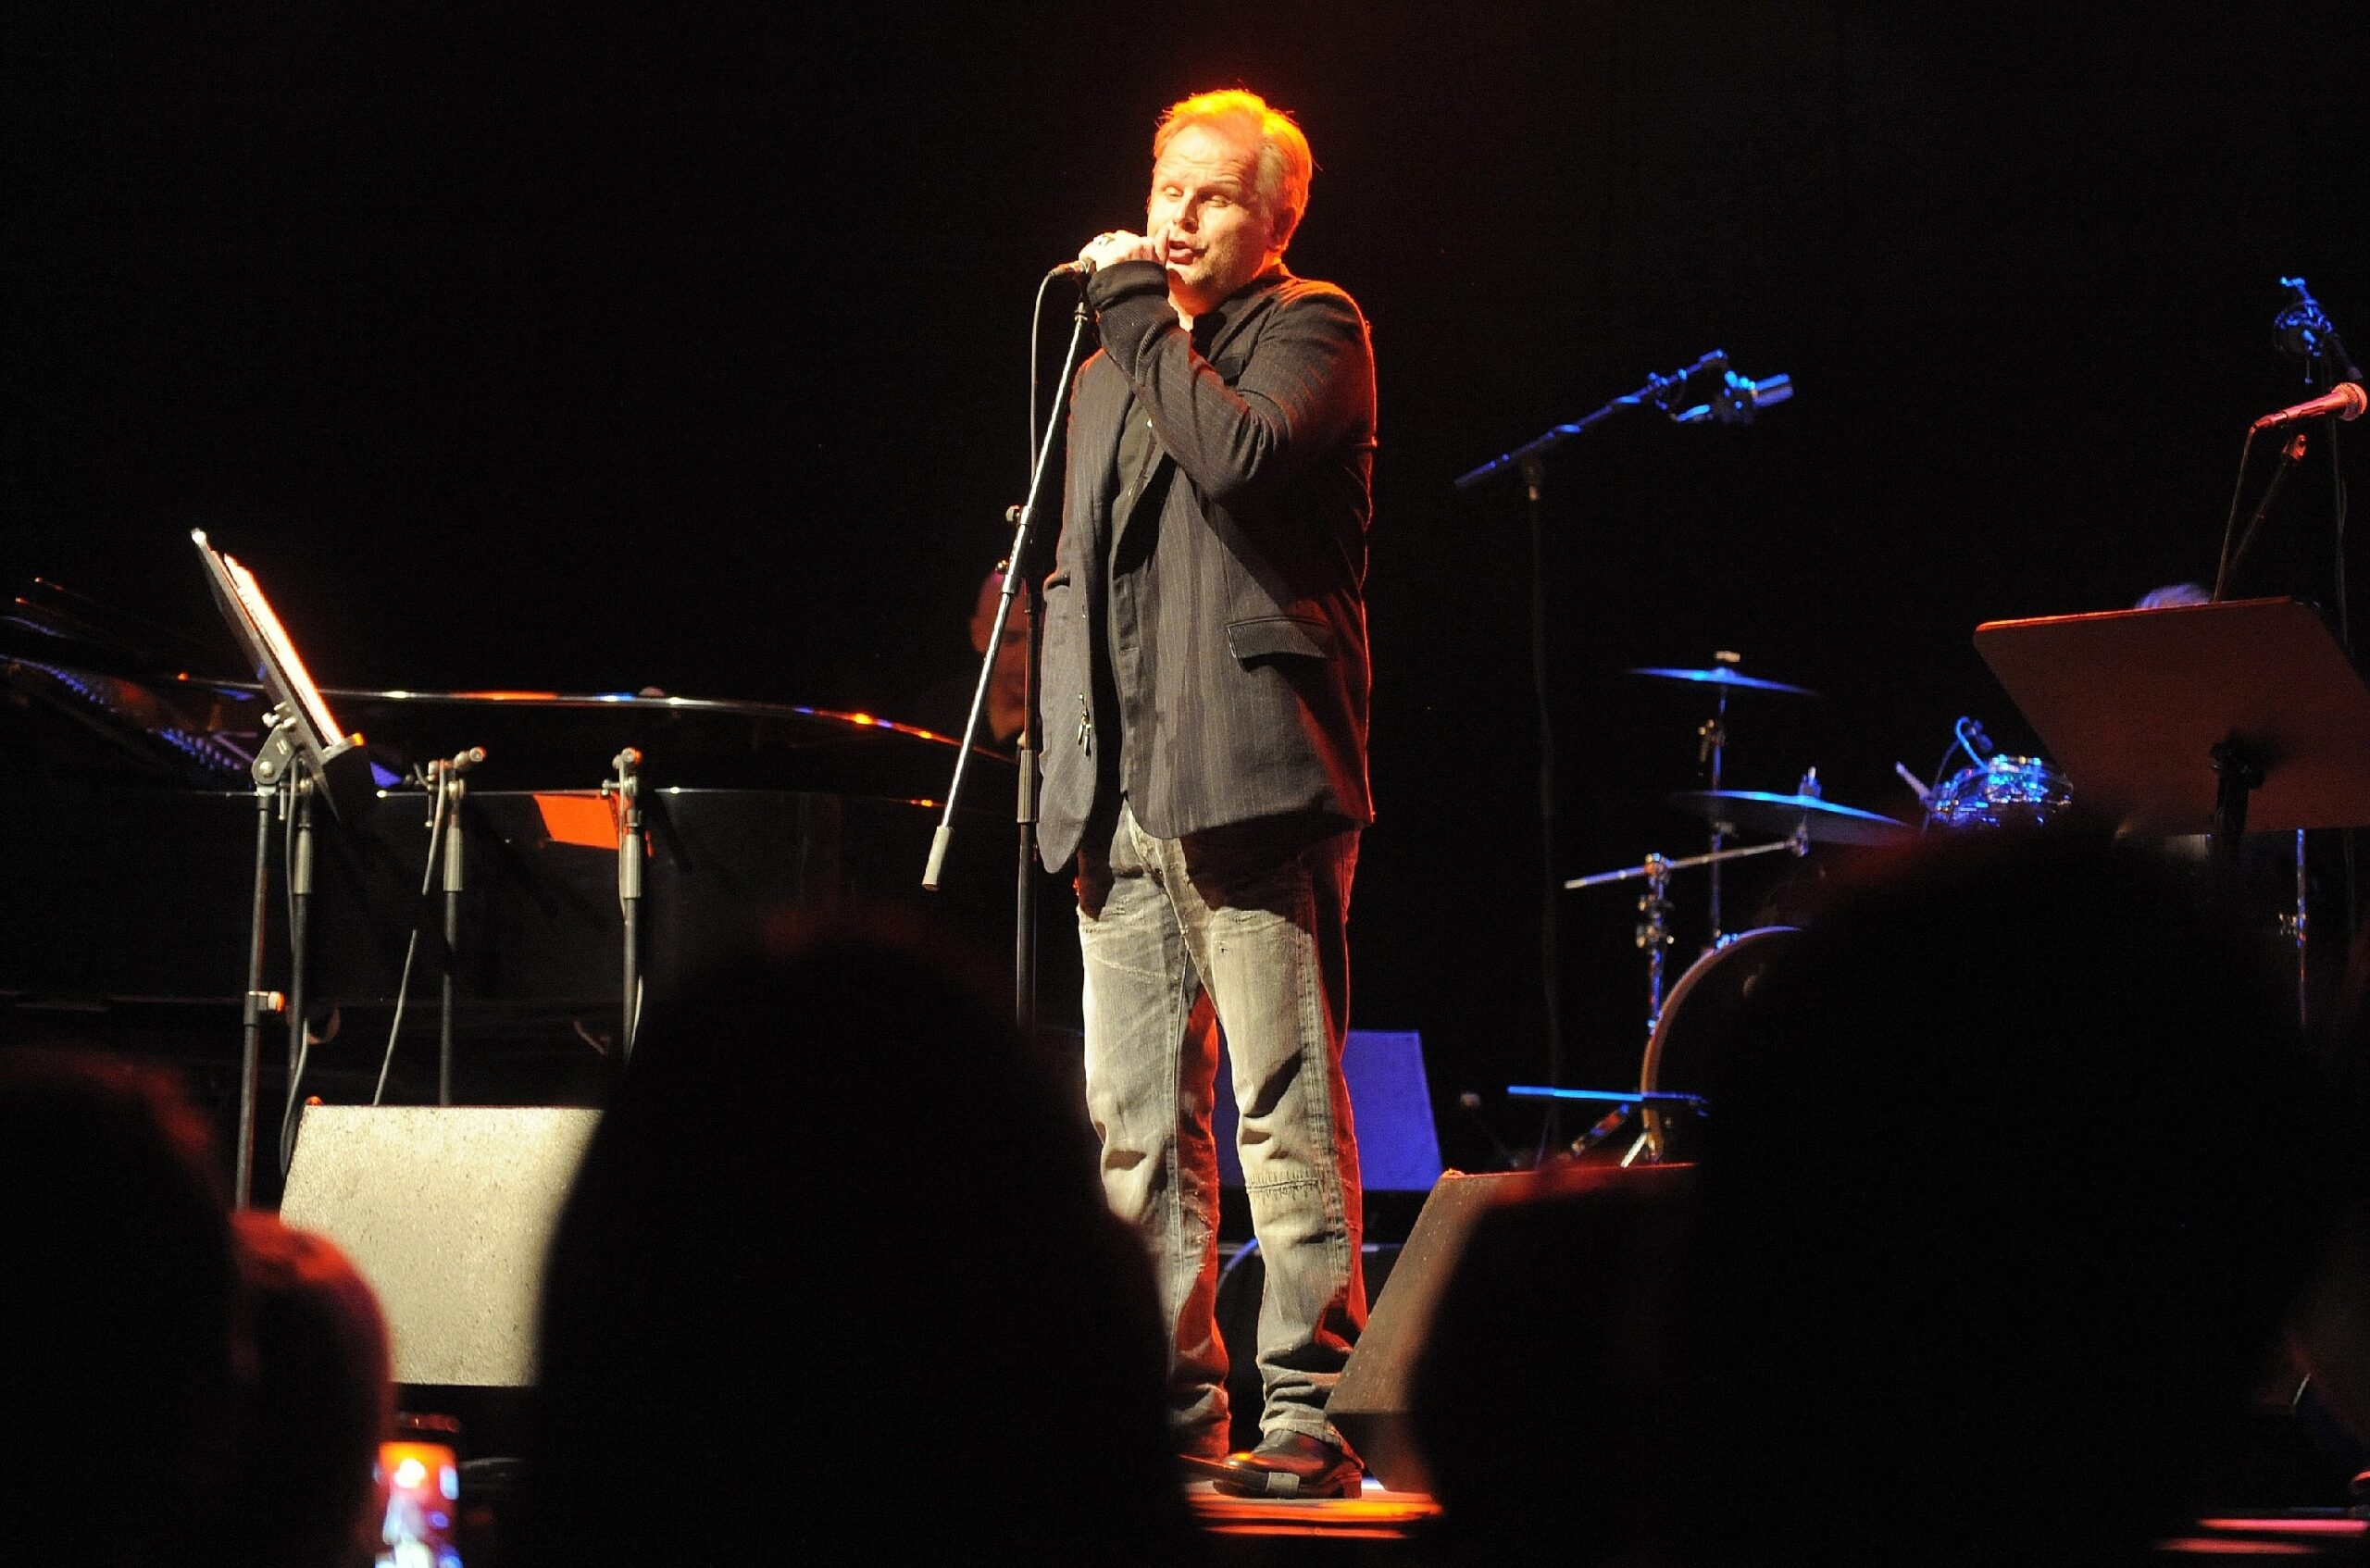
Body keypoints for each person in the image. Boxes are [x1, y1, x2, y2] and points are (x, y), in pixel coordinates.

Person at [1042, 87, 1378, 1499]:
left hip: (1248, 770)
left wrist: (1136, 309)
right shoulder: (1114, 360)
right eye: (1163, 190)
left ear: (1274, 219)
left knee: (1280, 1102)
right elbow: (1071, 570)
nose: (1172, 219)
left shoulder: (1316, 329)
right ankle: (1171, 1417)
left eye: (1211, 198)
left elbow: (1234, 454)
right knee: (1132, 1122)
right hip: (1117, 788)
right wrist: (1053, 771)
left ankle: (1310, 1414)